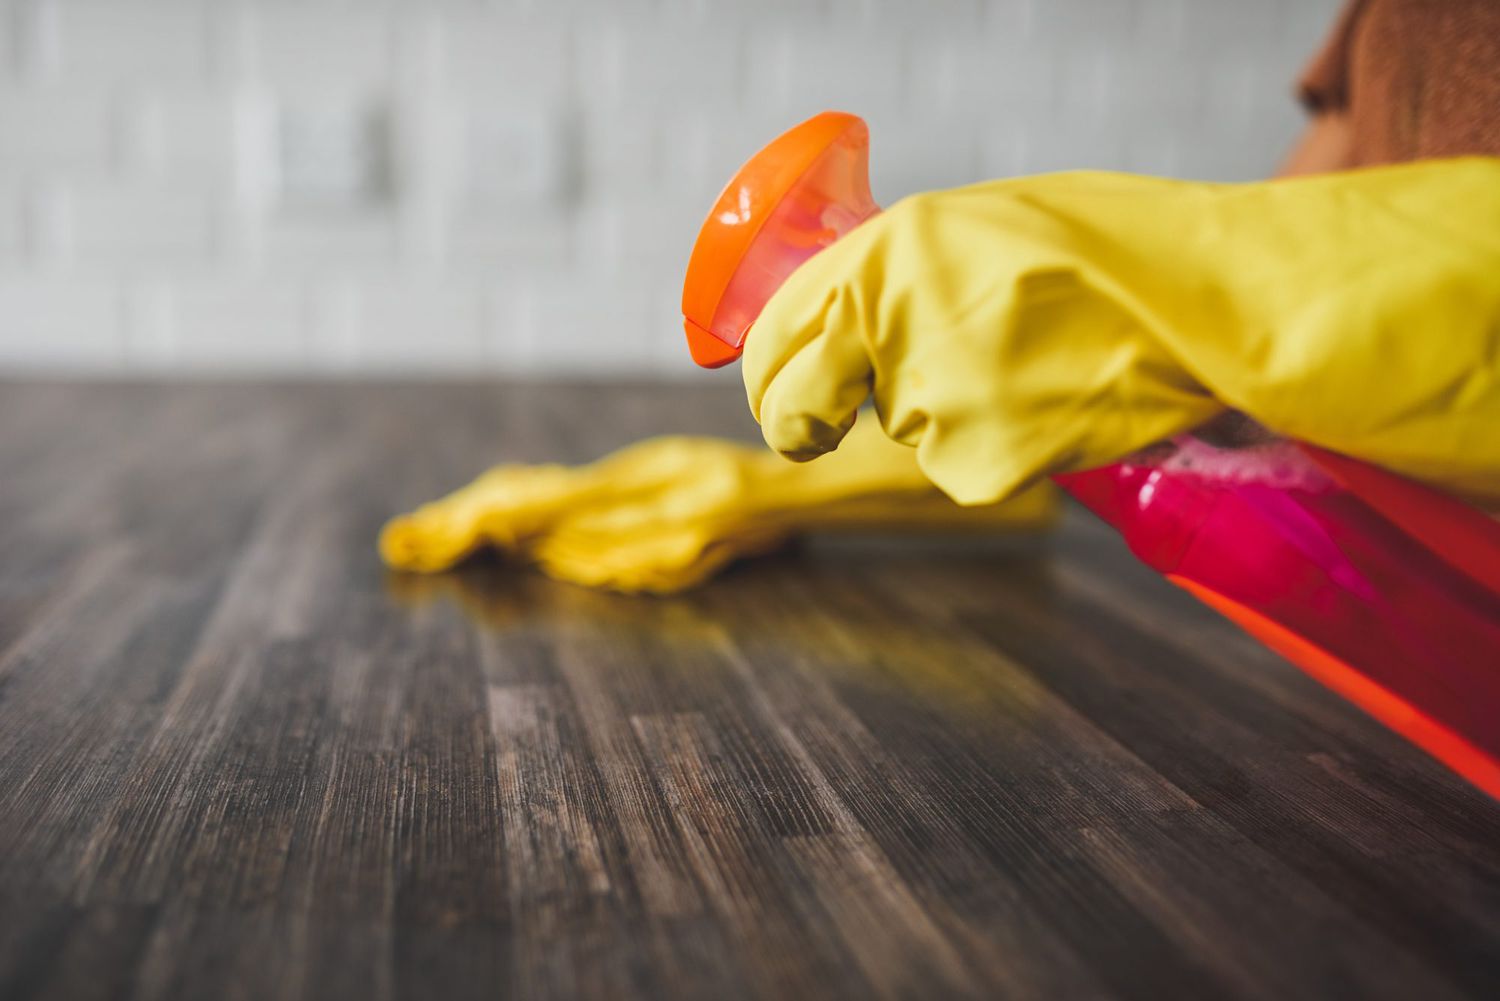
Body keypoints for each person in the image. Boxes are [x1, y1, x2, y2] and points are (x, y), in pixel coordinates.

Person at [381, 0, 1500, 593]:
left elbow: (1234, 286)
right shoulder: (1394, 15)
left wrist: (1147, 269)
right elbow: (1241, 364)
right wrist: (786, 486)